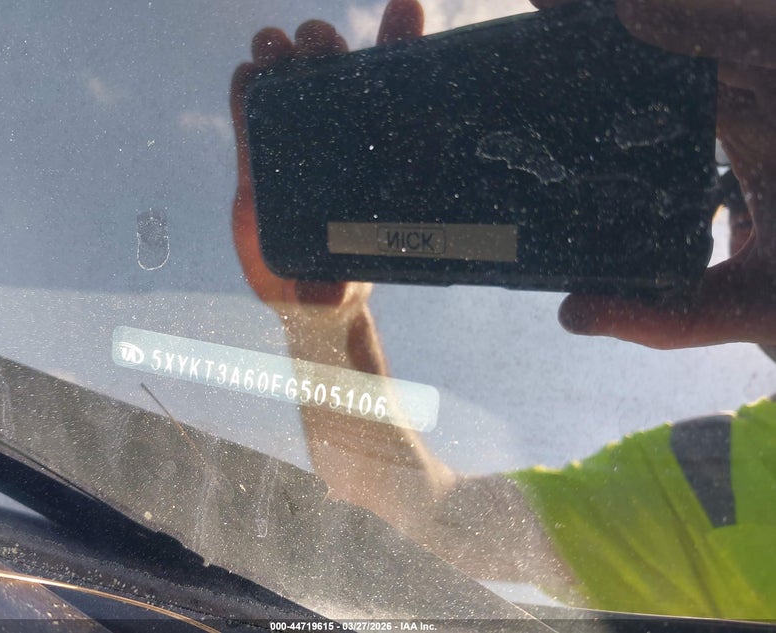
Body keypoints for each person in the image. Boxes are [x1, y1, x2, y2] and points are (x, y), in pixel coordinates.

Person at [230, 0, 776, 619]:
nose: (751, 215)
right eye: (736, 194)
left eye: (746, 184)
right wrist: (324, 325)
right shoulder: (713, 476)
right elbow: (424, 524)